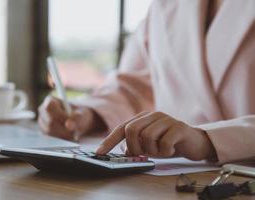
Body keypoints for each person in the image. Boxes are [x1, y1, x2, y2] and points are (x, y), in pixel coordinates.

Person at [38, 0, 255, 163]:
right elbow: (138, 85)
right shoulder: (164, 5)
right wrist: (89, 115)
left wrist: (209, 140)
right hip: (171, 183)